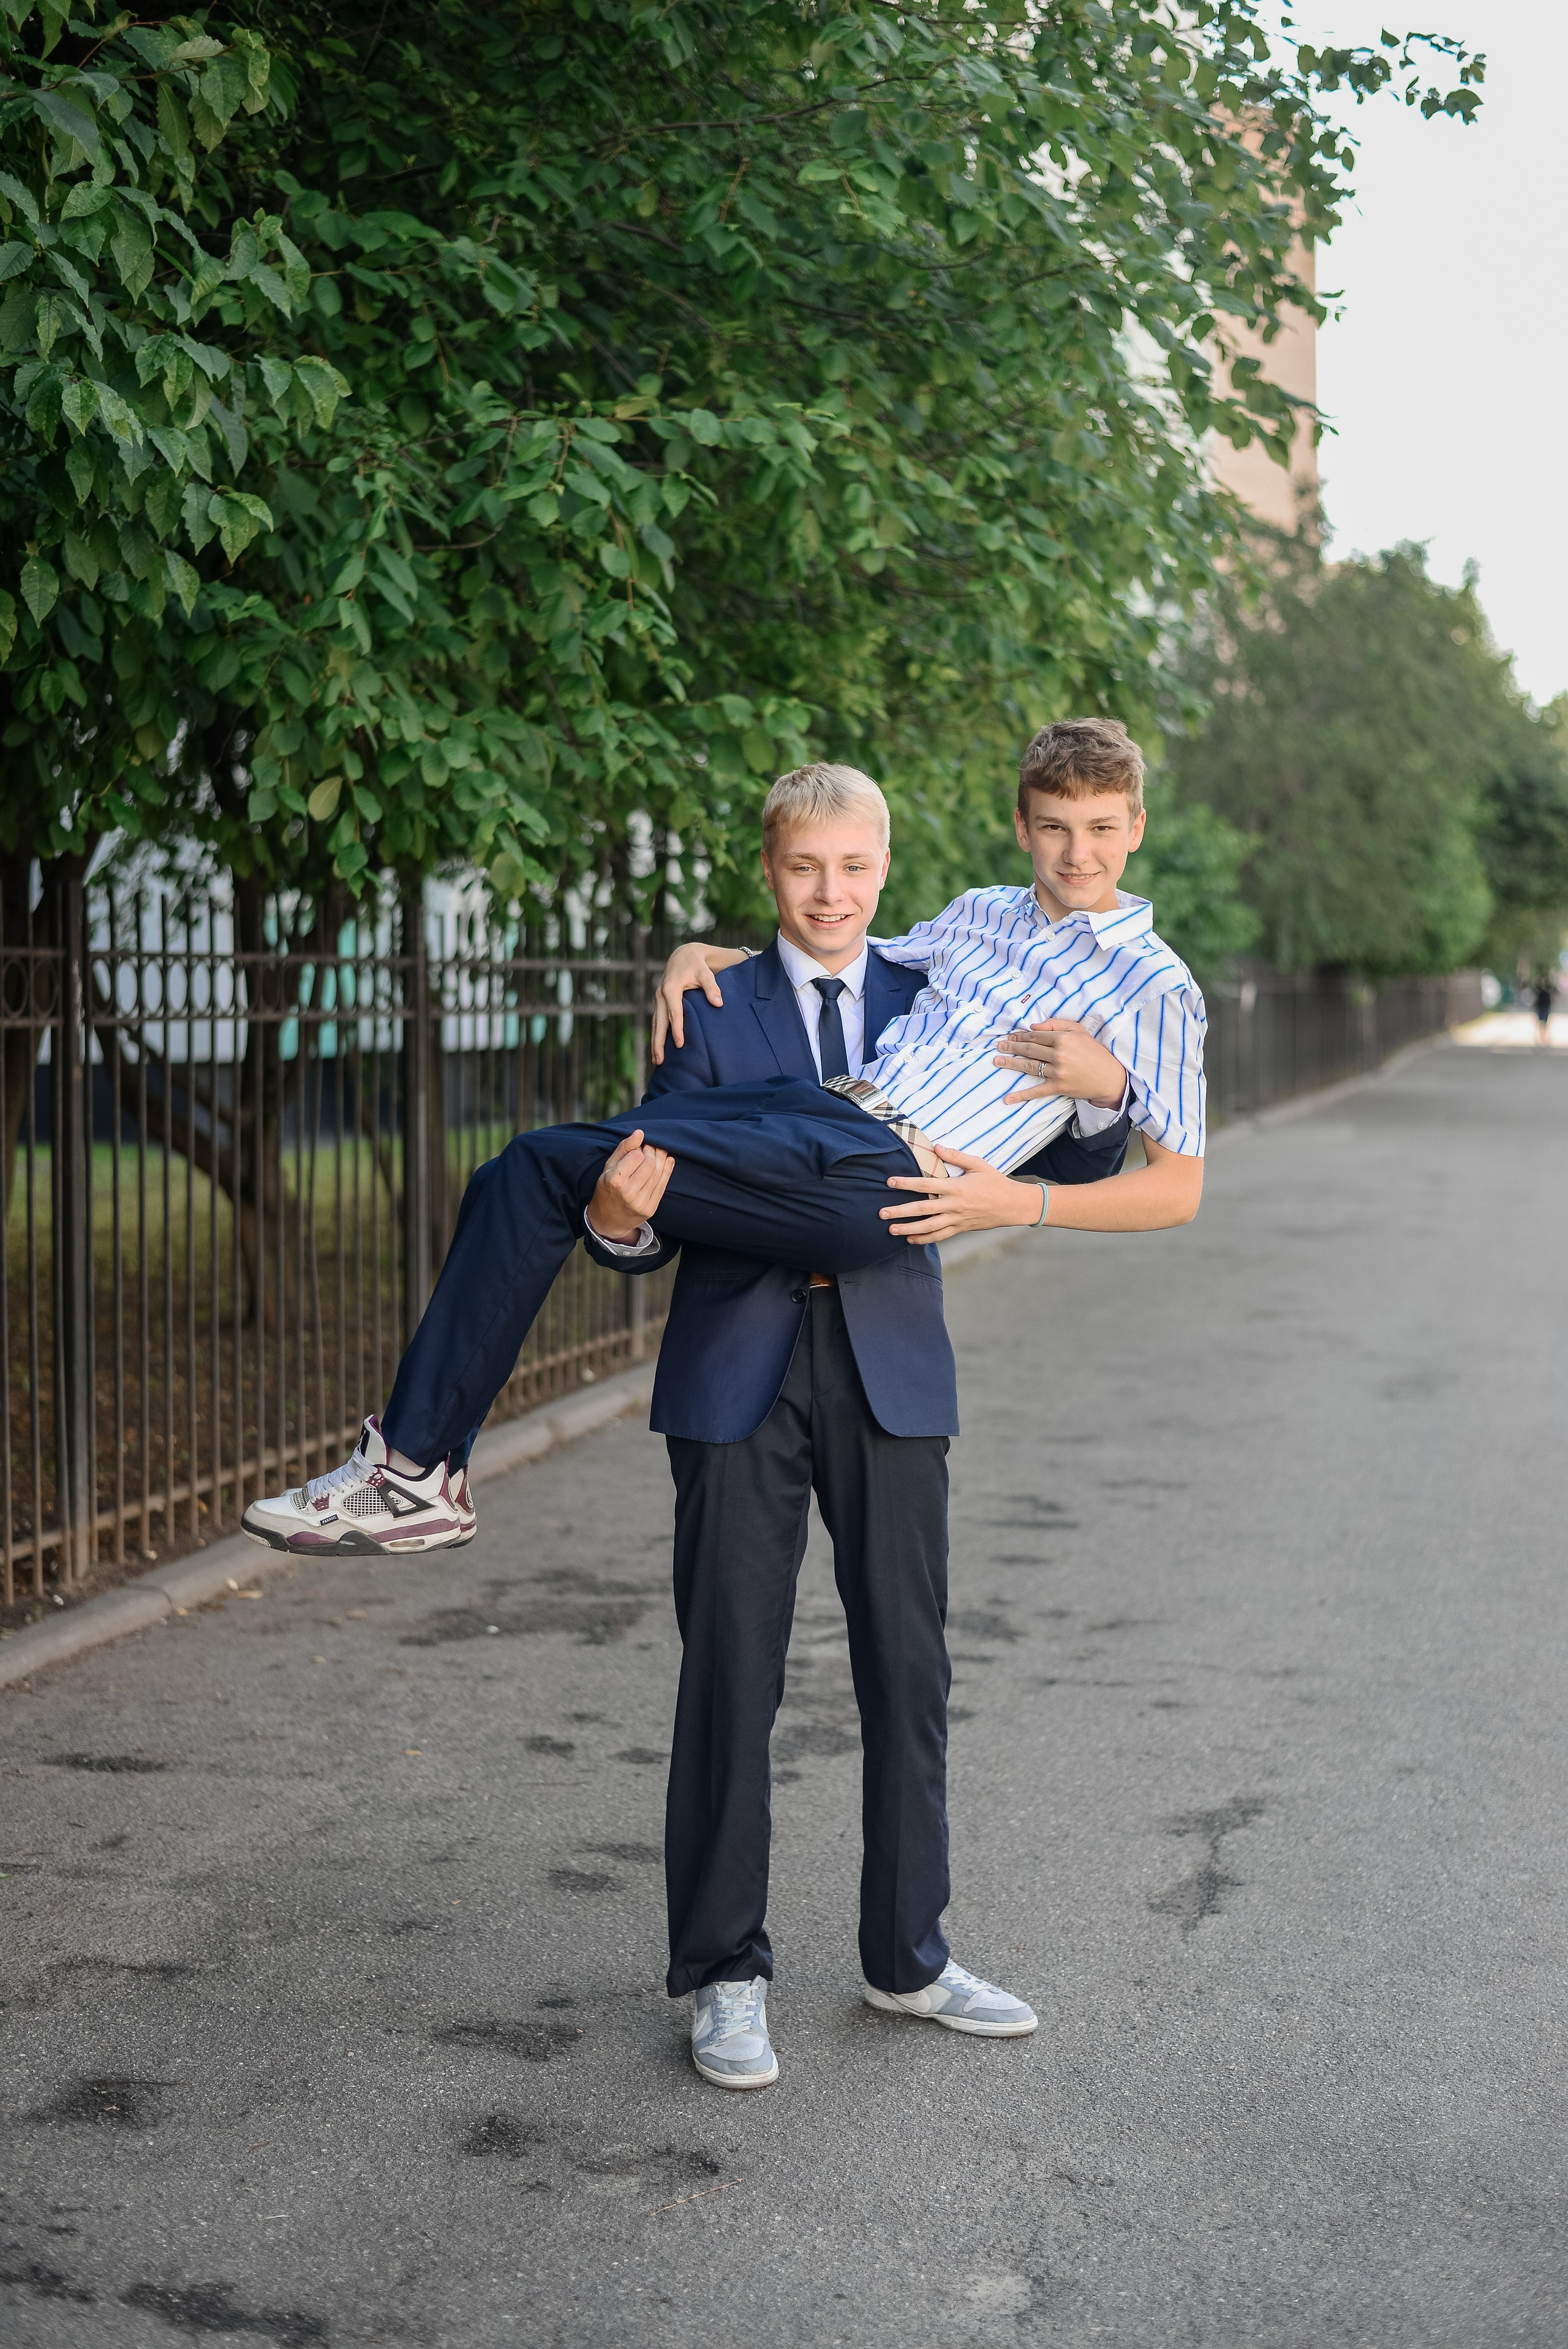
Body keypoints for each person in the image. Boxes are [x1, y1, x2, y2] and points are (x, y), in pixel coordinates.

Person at [241, 720, 1204, 2089]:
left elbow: (1128, 1150)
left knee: (907, 1674)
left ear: (885, 868)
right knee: (727, 1669)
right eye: (806, 868)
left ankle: (907, 1960)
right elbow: (655, 1210)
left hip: (885, 1337)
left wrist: (1096, 1107)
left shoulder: (1039, 976)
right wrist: (627, 1212)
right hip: (743, 1352)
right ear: (771, 870)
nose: (832, 892)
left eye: (854, 866)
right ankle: (723, 1973)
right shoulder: (808, 974)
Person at [1533, 974, 1555, 1043]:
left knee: (1544, 1022)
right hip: (1542, 1006)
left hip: (1544, 1006)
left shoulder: (1547, 991)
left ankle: (1544, 1037)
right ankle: (1543, 1036)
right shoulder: (1542, 992)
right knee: (1542, 1023)